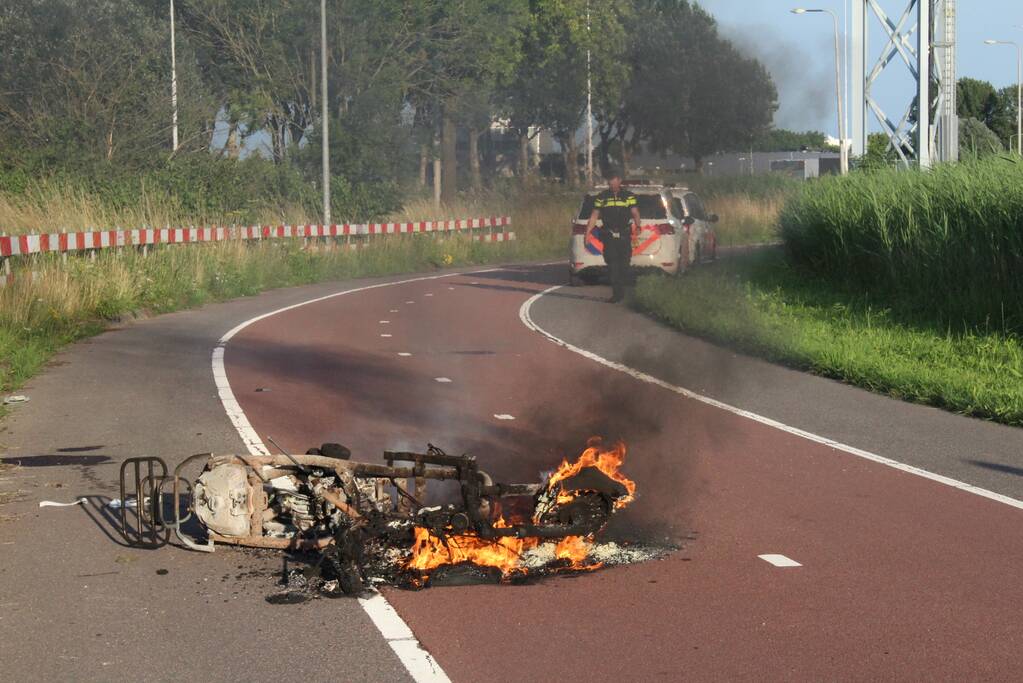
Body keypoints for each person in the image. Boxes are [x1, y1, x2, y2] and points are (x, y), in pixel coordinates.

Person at [585, 169, 641, 303]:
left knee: (624, 265)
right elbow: (594, 216)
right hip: (609, 235)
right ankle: (617, 294)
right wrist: (587, 233)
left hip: (624, 234)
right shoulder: (602, 197)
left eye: (614, 181)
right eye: (610, 182)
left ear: (619, 181)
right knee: (613, 265)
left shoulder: (628, 196)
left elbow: (635, 213)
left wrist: (638, 226)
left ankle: (624, 291)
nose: (611, 184)